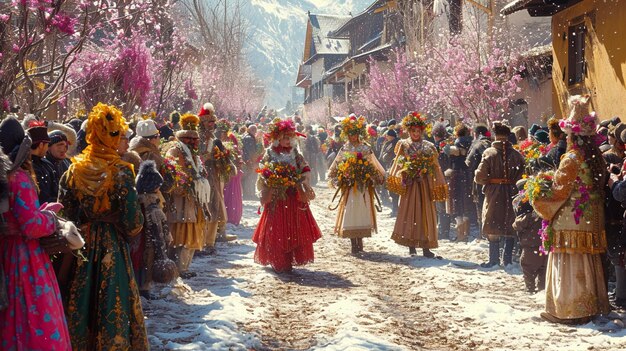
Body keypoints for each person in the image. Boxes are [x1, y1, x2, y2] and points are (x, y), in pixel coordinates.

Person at [57, 103, 149, 349]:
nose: (122, 141)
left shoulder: (72, 170)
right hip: (111, 247)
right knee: (112, 301)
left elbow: (62, 213)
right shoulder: (121, 172)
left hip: (80, 245)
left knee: (80, 300)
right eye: (119, 135)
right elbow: (133, 223)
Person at [532, 95, 610, 324]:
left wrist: (537, 194)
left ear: (573, 135)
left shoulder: (572, 157)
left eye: (567, 134)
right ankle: (591, 306)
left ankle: (569, 309)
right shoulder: (597, 157)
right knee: (587, 262)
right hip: (592, 217)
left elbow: (559, 190)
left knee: (569, 263)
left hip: (571, 219)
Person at [0, 117, 73, 350]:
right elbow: (31, 225)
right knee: (33, 315)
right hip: (25, 257)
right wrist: (50, 219)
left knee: (11, 315)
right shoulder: (18, 179)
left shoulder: (4, 178)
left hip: (6, 253)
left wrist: (39, 211)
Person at [252, 118, 321, 272]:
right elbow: (263, 169)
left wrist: (302, 179)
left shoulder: (295, 153)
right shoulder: (269, 152)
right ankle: (278, 258)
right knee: (276, 227)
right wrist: (271, 179)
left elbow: (305, 167)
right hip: (276, 195)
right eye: (284, 138)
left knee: (293, 227)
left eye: (290, 138)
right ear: (277, 138)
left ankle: (289, 258)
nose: (288, 141)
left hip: (292, 195)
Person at [388, 112, 448, 258]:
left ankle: (426, 246)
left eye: (418, 131)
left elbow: (435, 167)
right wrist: (404, 173)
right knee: (411, 214)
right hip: (410, 185)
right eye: (413, 131)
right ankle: (411, 245)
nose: (416, 133)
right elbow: (398, 163)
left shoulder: (429, 147)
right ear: (409, 131)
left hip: (424, 185)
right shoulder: (404, 145)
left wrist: (430, 176)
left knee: (426, 214)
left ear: (422, 131)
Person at [328, 114, 385, 255]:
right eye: (350, 134)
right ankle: (353, 241)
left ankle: (360, 239)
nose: (353, 137)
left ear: (359, 134)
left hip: (363, 186)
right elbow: (336, 164)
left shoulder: (365, 148)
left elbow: (372, 163)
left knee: (362, 210)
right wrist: (337, 176)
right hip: (348, 186)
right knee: (350, 211)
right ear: (347, 135)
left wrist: (376, 176)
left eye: (355, 134)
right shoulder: (345, 149)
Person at [475, 121, 525, 267]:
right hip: (512, 191)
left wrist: (489, 180)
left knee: (492, 222)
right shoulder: (517, 155)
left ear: (495, 135)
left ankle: (494, 259)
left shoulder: (489, 153)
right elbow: (523, 175)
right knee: (509, 223)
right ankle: (507, 259)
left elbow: (480, 176)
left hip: (494, 192)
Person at [135, 160, 177, 299]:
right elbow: (159, 225)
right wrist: (166, 237)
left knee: (140, 263)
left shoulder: (138, 200)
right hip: (149, 241)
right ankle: (144, 289)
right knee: (147, 262)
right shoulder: (151, 203)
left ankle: (140, 287)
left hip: (139, 241)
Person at [198, 104, 237, 252]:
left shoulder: (213, 138)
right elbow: (200, 157)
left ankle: (210, 241)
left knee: (214, 206)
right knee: (205, 207)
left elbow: (218, 154)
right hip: (203, 176)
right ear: (202, 122)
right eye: (209, 122)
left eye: (213, 122)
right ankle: (201, 241)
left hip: (213, 175)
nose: (212, 125)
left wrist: (225, 161)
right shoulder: (199, 137)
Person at [512, 179, 547, 293]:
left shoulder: (526, 217)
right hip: (544, 247)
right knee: (543, 271)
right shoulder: (543, 215)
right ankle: (542, 289)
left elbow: (516, 225)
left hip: (529, 248)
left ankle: (530, 288)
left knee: (528, 270)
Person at [443, 123, 473, 242]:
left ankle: (460, 235)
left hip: (456, 175)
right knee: (466, 203)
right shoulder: (471, 143)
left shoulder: (455, 144)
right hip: (468, 175)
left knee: (457, 205)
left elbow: (449, 159)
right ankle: (466, 233)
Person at [465, 124, 491, 238]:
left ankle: (483, 233)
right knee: (490, 206)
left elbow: (468, 163)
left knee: (480, 207)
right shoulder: (491, 144)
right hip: (493, 182)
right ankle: (491, 233)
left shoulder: (476, 144)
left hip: (479, 180)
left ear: (475, 134)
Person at [27, 121, 57, 203]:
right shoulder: (30, 166)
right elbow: (44, 196)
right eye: (47, 145)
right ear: (41, 145)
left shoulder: (25, 163)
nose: (47, 148)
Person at [221, 122, 244, 226]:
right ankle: (225, 215)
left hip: (232, 172)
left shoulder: (231, 139)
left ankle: (231, 215)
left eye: (222, 132)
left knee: (231, 193)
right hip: (225, 171)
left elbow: (236, 154)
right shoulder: (219, 141)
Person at [379, 129, 399, 216]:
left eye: (387, 135)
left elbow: (385, 155)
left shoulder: (392, 143)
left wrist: (384, 157)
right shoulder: (395, 142)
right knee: (394, 191)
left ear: (391, 136)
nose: (386, 137)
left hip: (393, 168)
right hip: (393, 168)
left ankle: (396, 210)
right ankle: (395, 210)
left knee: (393, 191)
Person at [242, 124, 260, 199]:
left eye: (255, 130)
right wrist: (252, 162)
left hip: (246, 160)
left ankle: (247, 194)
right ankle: (250, 194)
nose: (254, 131)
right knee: (251, 178)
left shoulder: (246, 137)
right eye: (253, 130)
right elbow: (251, 151)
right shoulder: (249, 138)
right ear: (248, 130)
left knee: (247, 178)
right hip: (250, 161)